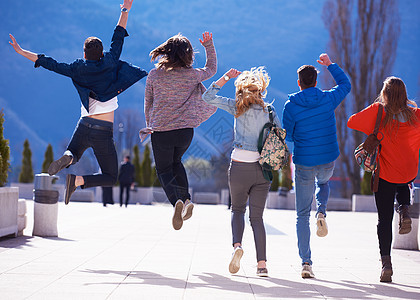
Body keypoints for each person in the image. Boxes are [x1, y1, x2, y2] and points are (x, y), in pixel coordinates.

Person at [9, 0, 147, 205]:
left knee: (73, 152)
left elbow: (49, 63)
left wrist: (22, 52)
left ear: (84, 54)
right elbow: (118, 35)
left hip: (84, 124)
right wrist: (125, 10)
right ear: (101, 53)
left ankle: (68, 156)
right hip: (103, 129)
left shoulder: (77, 68)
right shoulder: (109, 61)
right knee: (110, 176)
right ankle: (78, 180)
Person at [203, 66, 280, 277]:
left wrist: (227, 77)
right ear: (260, 91)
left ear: (242, 90)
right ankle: (262, 265)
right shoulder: (269, 111)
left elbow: (207, 96)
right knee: (257, 218)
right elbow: (279, 136)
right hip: (261, 169)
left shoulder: (237, 106)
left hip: (239, 166)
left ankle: (237, 246)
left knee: (237, 210)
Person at [282, 53, 351, 278]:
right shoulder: (328, 99)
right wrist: (330, 64)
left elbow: (289, 136)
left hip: (303, 162)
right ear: (316, 81)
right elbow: (346, 84)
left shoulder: (290, 106)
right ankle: (321, 211)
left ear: (299, 83)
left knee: (302, 214)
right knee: (324, 182)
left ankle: (306, 263)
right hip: (327, 159)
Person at [347, 76, 420, 282]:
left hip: (385, 175)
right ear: (405, 95)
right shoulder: (417, 116)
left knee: (384, 220)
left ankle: (386, 264)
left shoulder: (379, 112)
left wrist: (376, 111)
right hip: (407, 172)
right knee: (405, 181)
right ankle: (404, 207)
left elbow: (351, 121)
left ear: (385, 94)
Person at [144, 32, 217, 230]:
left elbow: (148, 102)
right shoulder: (192, 75)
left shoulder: (155, 75)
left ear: (167, 52)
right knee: (176, 163)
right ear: (188, 54)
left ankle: (176, 200)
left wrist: (149, 123)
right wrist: (209, 45)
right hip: (185, 132)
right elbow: (212, 69)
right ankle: (186, 200)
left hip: (162, 130)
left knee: (163, 169)